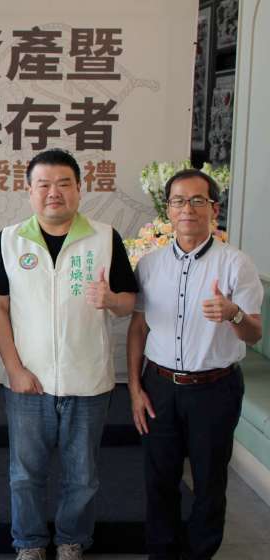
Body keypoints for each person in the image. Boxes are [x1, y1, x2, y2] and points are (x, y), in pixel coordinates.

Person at [0, 148, 138, 560]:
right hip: (28, 381)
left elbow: (129, 301)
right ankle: (29, 542)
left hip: (88, 380)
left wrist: (111, 299)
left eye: (64, 183)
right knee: (24, 475)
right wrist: (14, 369)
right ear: (29, 191)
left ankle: (72, 540)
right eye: (44, 184)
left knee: (82, 476)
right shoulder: (9, 240)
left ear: (79, 189)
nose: (54, 192)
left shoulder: (105, 237)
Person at [127, 169, 263, 560]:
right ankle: (162, 553)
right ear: (168, 210)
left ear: (213, 209)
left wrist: (234, 313)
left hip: (215, 390)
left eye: (197, 200)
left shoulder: (236, 264)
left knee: (209, 482)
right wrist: (135, 389)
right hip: (159, 387)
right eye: (178, 201)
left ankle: (201, 553)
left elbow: (254, 334)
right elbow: (138, 328)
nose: (187, 209)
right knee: (159, 481)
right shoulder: (149, 265)